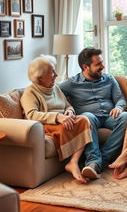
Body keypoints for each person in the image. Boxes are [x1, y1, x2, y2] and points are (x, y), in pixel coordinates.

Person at [59, 47, 127, 180]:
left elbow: (120, 98)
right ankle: (93, 161)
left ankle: (98, 163)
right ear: (85, 67)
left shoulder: (109, 79)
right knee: (87, 117)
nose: (103, 66)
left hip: (110, 116)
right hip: (90, 118)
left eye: (102, 62)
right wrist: (67, 110)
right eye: (98, 64)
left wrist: (119, 108)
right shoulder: (71, 83)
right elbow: (52, 92)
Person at [20, 55, 92, 184]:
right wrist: (58, 117)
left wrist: (69, 112)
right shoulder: (30, 92)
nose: (56, 74)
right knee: (67, 126)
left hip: (64, 120)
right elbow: (31, 114)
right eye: (52, 72)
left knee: (85, 120)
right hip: (45, 124)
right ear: (40, 76)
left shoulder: (55, 88)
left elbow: (67, 105)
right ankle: (72, 164)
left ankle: (73, 162)